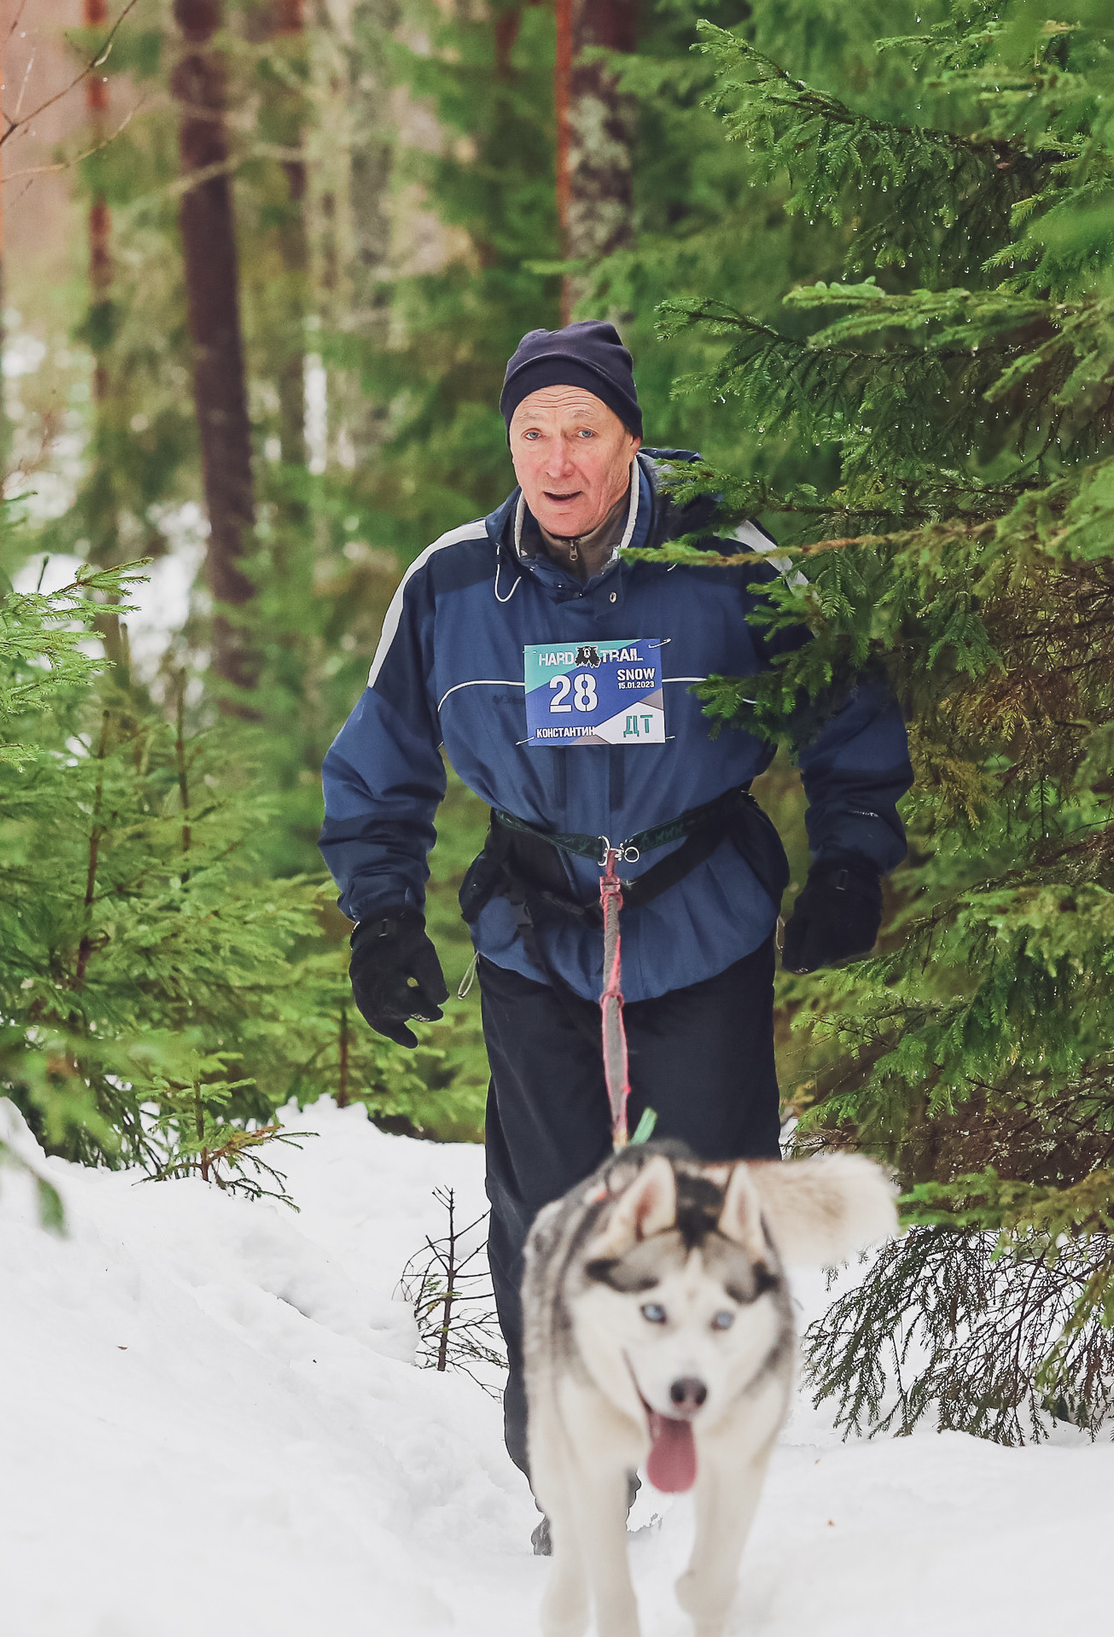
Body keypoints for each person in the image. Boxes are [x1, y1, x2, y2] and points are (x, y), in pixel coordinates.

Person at [317, 320, 911, 1541]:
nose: (556, 458)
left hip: (700, 914)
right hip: (537, 933)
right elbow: (381, 766)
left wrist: (851, 861)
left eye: (582, 429)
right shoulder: (451, 585)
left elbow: (842, 698)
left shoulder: (722, 555)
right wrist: (382, 917)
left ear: (628, 439)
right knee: (549, 1213)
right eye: (532, 432)